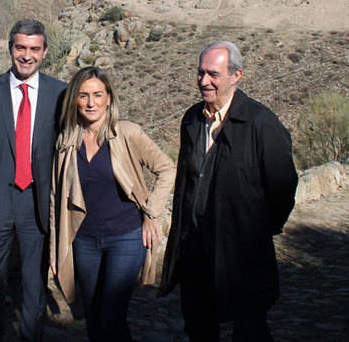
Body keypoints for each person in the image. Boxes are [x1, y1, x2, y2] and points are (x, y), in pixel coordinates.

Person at [158, 41, 298, 341]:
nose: (204, 81)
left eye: (213, 74)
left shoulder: (261, 123)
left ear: (236, 75)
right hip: (196, 251)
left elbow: (283, 187)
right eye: (200, 73)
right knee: (199, 328)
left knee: (249, 329)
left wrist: (257, 229)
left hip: (242, 254)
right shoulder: (193, 120)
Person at [50, 66, 175, 341]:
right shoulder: (66, 143)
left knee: (112, 313)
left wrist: (152, 213)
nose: (91, 102)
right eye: (83, 95)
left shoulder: (127, 133)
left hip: (126, 238)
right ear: (74, 100)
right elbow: (55, 200)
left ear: (109, 97)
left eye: (97, 94)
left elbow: (167, 169)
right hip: (84, 241)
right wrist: (55, 250)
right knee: (93, 315)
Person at [0, 19, 67, 342]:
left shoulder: (60, 93)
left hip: (37, 205)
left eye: (34, 49)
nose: (27, 55)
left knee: (35, 286)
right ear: (10, 49)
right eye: (20, 47)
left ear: (45, 52)